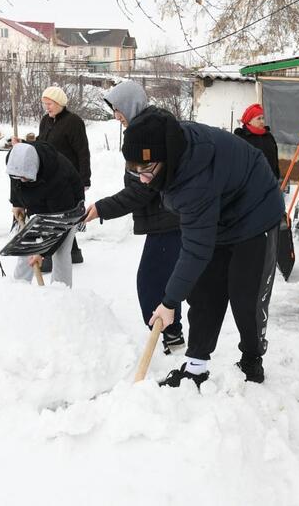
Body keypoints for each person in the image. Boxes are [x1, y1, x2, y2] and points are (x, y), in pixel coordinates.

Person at [122, 108, 284, 388]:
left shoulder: (193, 177)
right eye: (133, 170)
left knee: (246, 296)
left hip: (256, 214)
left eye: (146, 170)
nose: (142, 178)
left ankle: (251, 360)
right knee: (204, 292)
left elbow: (196, 249)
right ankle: (196, 366)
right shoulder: (169, 157)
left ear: (166, 157)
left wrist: (169, 302)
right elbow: (198, 248)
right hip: (220, 212)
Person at [83, 81, 185, 355]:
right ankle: (172, 335)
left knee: (151, 283)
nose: (116, 115)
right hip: (166, 220)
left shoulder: (148, 133)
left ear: (130, 105)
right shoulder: (144, 128)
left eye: (118, 109)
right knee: (162, 282)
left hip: (169, 221)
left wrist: (102, 208)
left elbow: (142, 190)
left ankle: (172, 336)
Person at [6, 141, 84, 287]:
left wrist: (41, 252)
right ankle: (18, 291)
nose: (22, 180)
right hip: (39, 205)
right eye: (19, 177)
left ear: (35, 169)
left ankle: (61, 295)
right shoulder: (17, 158)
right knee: (26, 249)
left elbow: (60, 226)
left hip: (67, 211)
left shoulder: (59, 177)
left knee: (60, 253)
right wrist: (17, 203)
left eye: (26, 178)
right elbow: (15, 181)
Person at [37, 86, 90, 267]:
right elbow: (41, 144)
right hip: (49, 177)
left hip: (69, 178)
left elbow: (83, 151)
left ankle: (50, 256)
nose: (47, 107)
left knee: (59, 214)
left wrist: (84, 179)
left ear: (59, 103)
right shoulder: (45, 121)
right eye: (45, 104)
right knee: (59, 214)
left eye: (50, 104)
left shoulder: (74, 122)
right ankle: (73, 252)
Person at [233, 103, 281, 180]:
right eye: (258, 119)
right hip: (249, 183)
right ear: (249, 121)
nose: (262, 121)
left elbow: (275, 158)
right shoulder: (241, 137)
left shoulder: (268, 136)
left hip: (269, 180)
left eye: (263, 118)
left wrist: (276, 176)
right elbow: (236, 163)